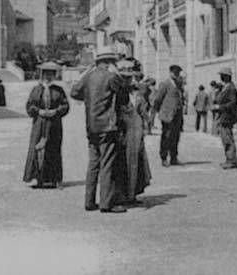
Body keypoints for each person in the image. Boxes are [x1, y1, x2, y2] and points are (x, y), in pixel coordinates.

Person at [71, 45, 129, 214]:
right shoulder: (111, 76)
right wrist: (118, 75)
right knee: (107, 164)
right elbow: (124, 97)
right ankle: (106, 203)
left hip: (91, 126)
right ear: (110, 61)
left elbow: (74, 92)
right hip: (108, 126)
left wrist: (89, 96)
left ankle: (89, 202)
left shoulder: (89, 77)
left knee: (93, 164)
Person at [23, 61, 70, 189]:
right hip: (39, 123)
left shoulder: (58, 90)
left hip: (54, 124)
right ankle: (39, 179)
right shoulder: (36, 90)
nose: (48, 76)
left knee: (54, 148)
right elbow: (29, 106)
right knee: (38, 148)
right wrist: (39, 111)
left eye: (51, 74)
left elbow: (65, 105)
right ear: (42, 74)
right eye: (46, 74)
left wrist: (56, 111)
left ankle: (56, 179)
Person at [114, 60, 151, 205]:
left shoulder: (137, 93)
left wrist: (145, 126)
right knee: (123, 163)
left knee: (138, 163)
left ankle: (133, 193)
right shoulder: (118, 93)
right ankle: (122, 195)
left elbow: (142, 111)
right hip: (124, 132)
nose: (128, 80)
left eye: (130, 77)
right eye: (125, 77)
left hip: (137, 132)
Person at [152, 64, 185, 166]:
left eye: (178, 73)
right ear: (170, 73)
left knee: (176, 136)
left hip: (177, 114)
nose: (176, 75)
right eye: (175, 73)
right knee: (166, 136)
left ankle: (174, 157)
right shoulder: (165, 84)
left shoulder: (179, 84)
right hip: (167, 115)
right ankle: (164, 158)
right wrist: (159, 111)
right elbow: (158, 99)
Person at [213, 67, 237, 169]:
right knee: (225, 138)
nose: (221, 77)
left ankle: (232, 160)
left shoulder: (231, 88)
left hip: (227, 116)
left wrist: (220, 107)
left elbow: (232, 103)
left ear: (227, 77)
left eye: (222, 76)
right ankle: (229, 159)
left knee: (227, 138)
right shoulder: (225, 87)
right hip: (224, 116)